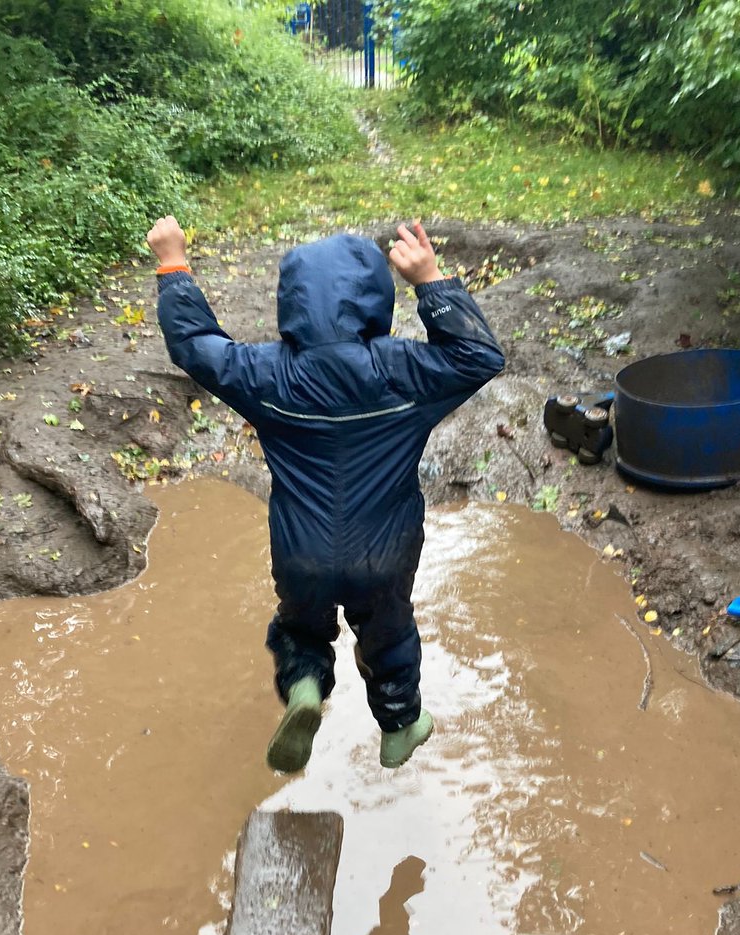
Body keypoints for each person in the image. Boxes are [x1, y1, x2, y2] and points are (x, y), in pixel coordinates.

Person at [147, 216, 504, 773]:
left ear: (291, 302)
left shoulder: (267, 375)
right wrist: (431, 281)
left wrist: (174, 264)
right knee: (389, 631)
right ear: (374, 301)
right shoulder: (402, 371)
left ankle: (306, 688)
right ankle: (399, 725)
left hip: (301, 552)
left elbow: (195, 346)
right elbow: (480, 357)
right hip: (384, 554)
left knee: (301, 627)